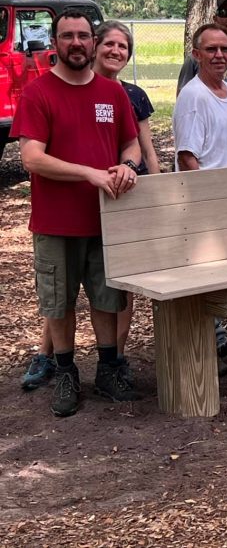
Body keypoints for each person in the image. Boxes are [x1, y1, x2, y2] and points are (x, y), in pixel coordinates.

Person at [20, 20, 163, 392]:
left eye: (83, 36)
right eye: (67, 36)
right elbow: (32, 158)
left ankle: (108, 371)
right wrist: (91, 173)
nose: (76, 43)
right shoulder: (38, 92)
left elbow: (130, 144)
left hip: (106, 219)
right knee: (60, 304)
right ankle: (66, 375)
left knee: (106, 299)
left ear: (92, 42)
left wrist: (127, 167)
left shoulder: (111, 93)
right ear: (55, 42)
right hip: (56, 223)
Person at [173, 23, 227, 359]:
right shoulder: (193, 97)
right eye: (211, 49)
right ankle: (204, 349)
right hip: (205, 203)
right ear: (197, 55)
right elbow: (187, 157)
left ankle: (219, 340)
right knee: (206, 275)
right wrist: (210, 201)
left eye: (224, 49)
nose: (220, 55)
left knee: (224, 274)